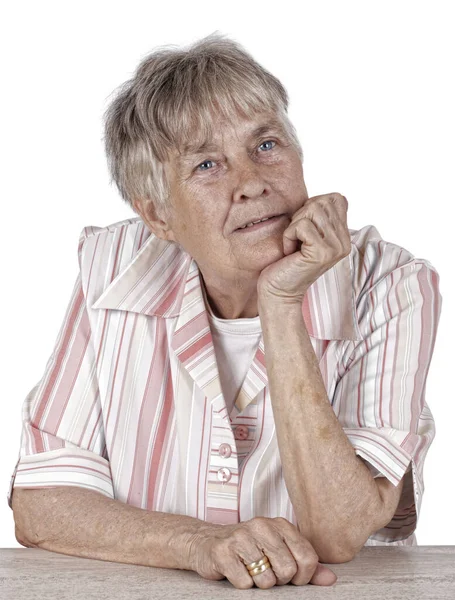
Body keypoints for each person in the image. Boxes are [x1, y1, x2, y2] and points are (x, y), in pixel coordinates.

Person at [9, 32, 442, 590]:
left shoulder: (391, 282)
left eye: (266, 145)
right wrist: (200, 544)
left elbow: (338, 530)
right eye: (208, 164)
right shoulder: (111, 267)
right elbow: (41, 505)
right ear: (159, 218)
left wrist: (281, 301)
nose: (253, 184)